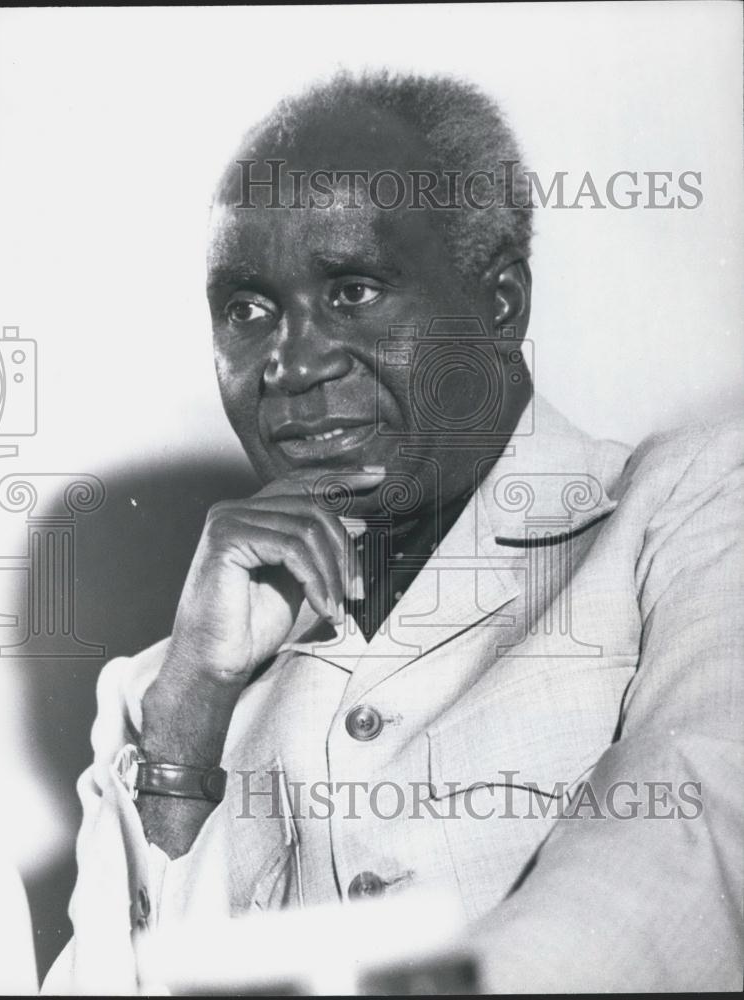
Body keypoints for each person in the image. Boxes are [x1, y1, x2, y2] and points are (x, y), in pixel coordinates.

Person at [42, 71, 743, 993]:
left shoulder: (684, 509)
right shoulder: (166, 687)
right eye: (246, 311)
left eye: (354, 290)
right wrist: (192, 709)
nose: (290, 362)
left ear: (500, 306)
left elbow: (689, 837)